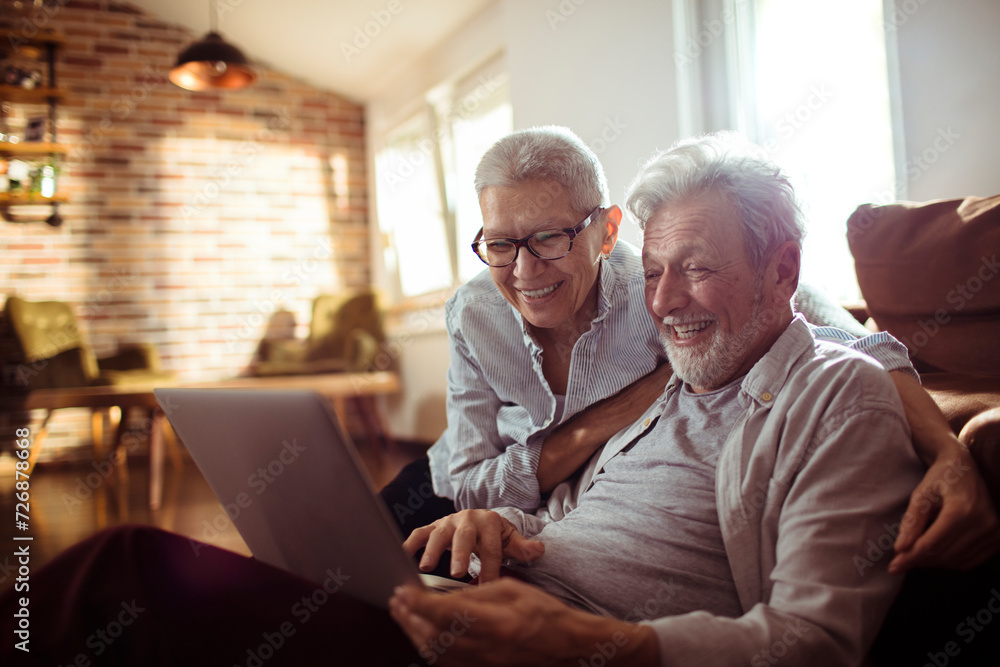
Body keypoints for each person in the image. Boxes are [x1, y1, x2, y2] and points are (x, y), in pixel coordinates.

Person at [387, 132, 927, 665]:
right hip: (489, 583)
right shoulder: (670, 386)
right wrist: (504, 524)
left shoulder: (835, 396)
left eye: (696, 267)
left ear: (781, 270)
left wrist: (591, 643)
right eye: (652, 273)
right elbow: (574, 516)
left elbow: (814, 642)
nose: (663, 302)